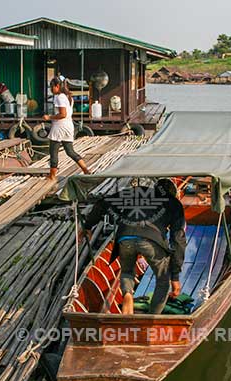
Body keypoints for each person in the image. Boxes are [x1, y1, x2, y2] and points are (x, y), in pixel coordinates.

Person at [81, 178, 187, 314]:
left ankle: (127, 295)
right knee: (163, 280)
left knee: (126, 271)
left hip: (125, 237)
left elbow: (103, 203)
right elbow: (178, 240)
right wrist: (175, 276)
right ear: (173, 193)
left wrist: (88, 226)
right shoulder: (174, 203)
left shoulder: (138, 193)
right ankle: (152, 318)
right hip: (151, 240)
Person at [43, 76, 90, 180]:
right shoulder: (68, 96)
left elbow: (62, 114)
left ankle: (52, 176)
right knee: (70, 151)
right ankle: (86, 170)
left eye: (52, 87)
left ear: (57, 86)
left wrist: (49, 117)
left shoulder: (59, 97)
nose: (51, 90)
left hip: (60, 126)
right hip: (69, 126)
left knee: (53, 151)